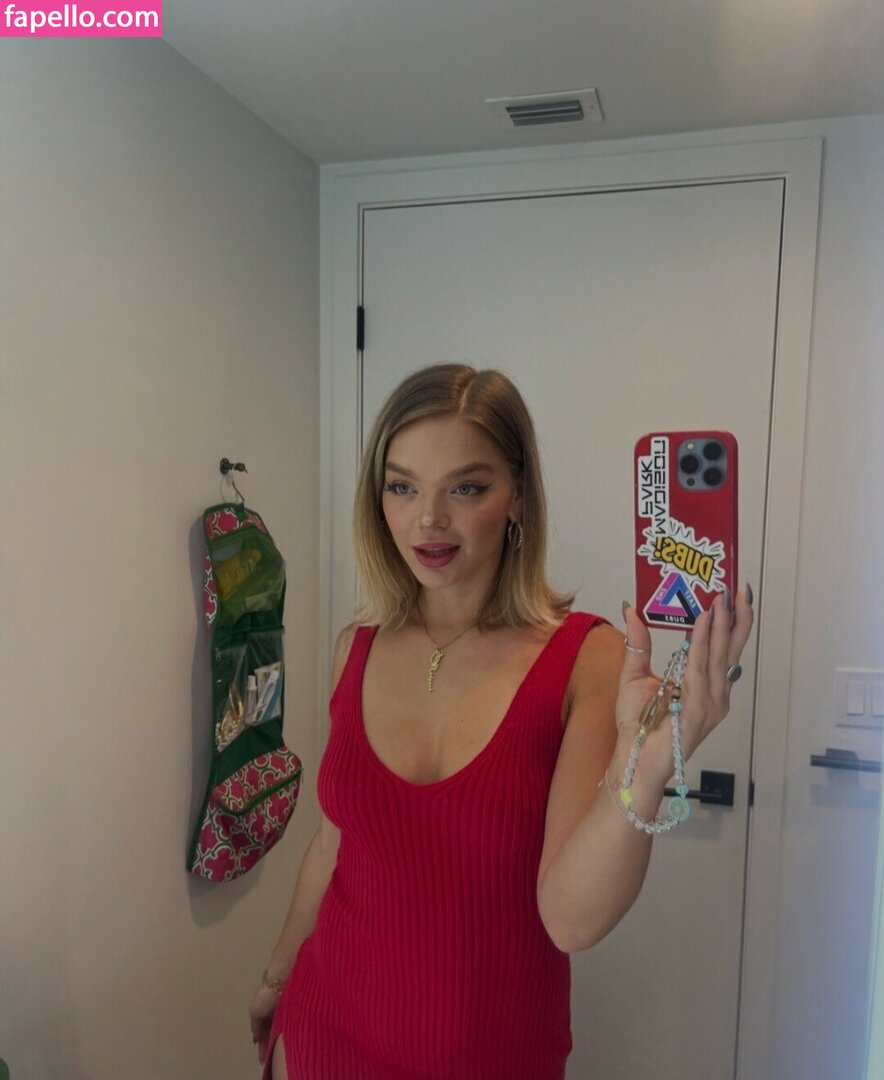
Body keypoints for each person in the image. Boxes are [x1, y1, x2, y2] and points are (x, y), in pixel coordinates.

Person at [247, 363, 754, 1080]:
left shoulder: (586, 659)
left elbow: (570, 920)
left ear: (517, 495)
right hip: (321, 1039)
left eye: (466, 487)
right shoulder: (354, 648)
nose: (428, 519)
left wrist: (645, 769)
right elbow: (335, 843)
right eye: (402, 487)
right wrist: (276, 978)